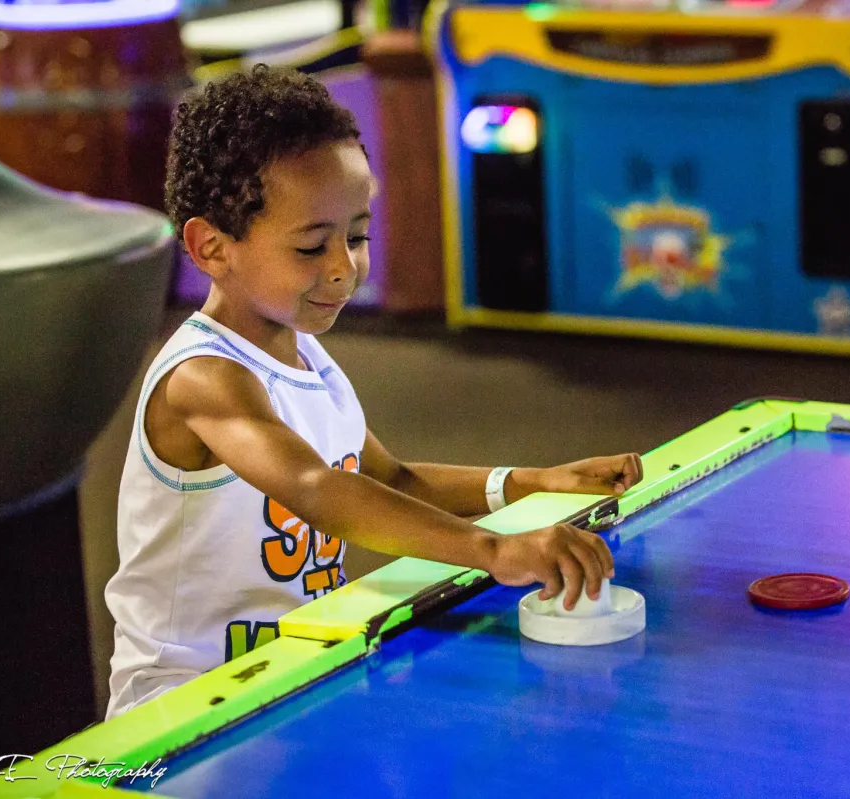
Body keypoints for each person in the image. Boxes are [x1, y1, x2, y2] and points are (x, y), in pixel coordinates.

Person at [103, 65, 643, 719]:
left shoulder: (309, 356)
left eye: (356, 236)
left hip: (291, 678)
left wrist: (537, 481)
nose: (343, 267)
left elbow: (394, 481)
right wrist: (494, 551)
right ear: (211, 246)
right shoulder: (202, 376)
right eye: (311, 246)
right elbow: (315, 489)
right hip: (180, 708)